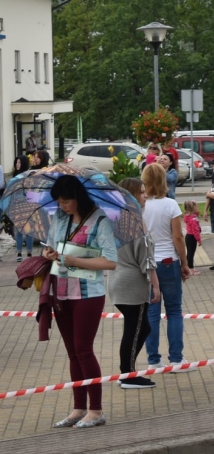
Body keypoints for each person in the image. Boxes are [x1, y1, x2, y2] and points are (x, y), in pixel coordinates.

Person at [42, 175, 119, 428]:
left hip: (88, 293)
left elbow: (110, 261)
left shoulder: (99, 220)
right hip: (61, 291)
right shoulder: (59, 219)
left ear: (78, 198)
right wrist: (49, 254)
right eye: (59, 202)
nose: (62, 206)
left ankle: (96, 410)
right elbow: (53, 250)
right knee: (72, 353)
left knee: (84, 349)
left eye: (66, 201)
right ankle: (79, 408)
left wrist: (74, 261)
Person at [110, 177, 160, 389]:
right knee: (135, 328)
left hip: (117, 279)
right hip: (132, 282)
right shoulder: (135, 221)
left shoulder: (116, 219)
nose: (145, 195)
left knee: (141, 327)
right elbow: (146, 259)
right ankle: (128, 374)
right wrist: (155, 285)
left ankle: (127, 371)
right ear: (131, 195)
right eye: (141, 192)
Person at [142, 164, 192, 370]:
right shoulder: (170, 205)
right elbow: (178, 237)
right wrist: (185, 262)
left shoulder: (140, 207)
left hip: (148, 262)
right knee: (173, 310)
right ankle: (176, 358)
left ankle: (153, 359)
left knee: (151, 312)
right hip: (169, 261)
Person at [11, 155, 35, 261]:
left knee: (29, 231)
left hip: (27, 205)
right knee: (19, 231)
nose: (17, 164)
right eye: (16, 162)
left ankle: (29, 253)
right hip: (16, 205)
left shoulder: (28, 176)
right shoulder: (14, 177)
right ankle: (19, 253)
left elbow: (32, 191)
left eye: (20, 162)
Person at [182, 201, 201, 270]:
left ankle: (188, 266)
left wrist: (195, 204)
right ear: (193, 209)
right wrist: (199, 240)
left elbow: (197, 212)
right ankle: (190, 268)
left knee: (189, 252)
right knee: (191, 253)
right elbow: (195, 231)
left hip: (188, 236)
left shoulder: (187, 216)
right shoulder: (193, 219)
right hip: (192, 237)